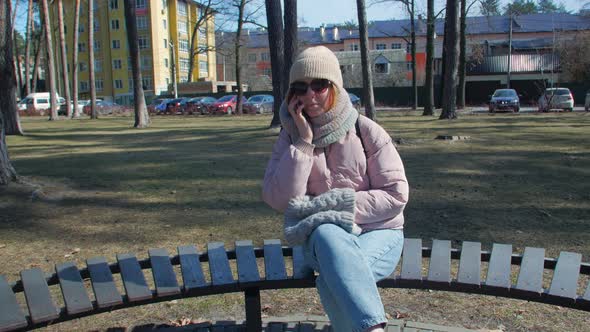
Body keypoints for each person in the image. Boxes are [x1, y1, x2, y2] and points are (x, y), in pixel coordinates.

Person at [262, 46, 409, 332]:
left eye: (319, 85)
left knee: (333, 278)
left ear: (335, 87)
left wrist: (334, 206)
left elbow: (396, 195)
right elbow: (279, 200)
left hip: (380, 234)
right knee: (327, 233)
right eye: (300, 87)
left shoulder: (366, 131)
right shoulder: (290, 137)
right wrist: (303, 141)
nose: (310, 95)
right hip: (325, 240)